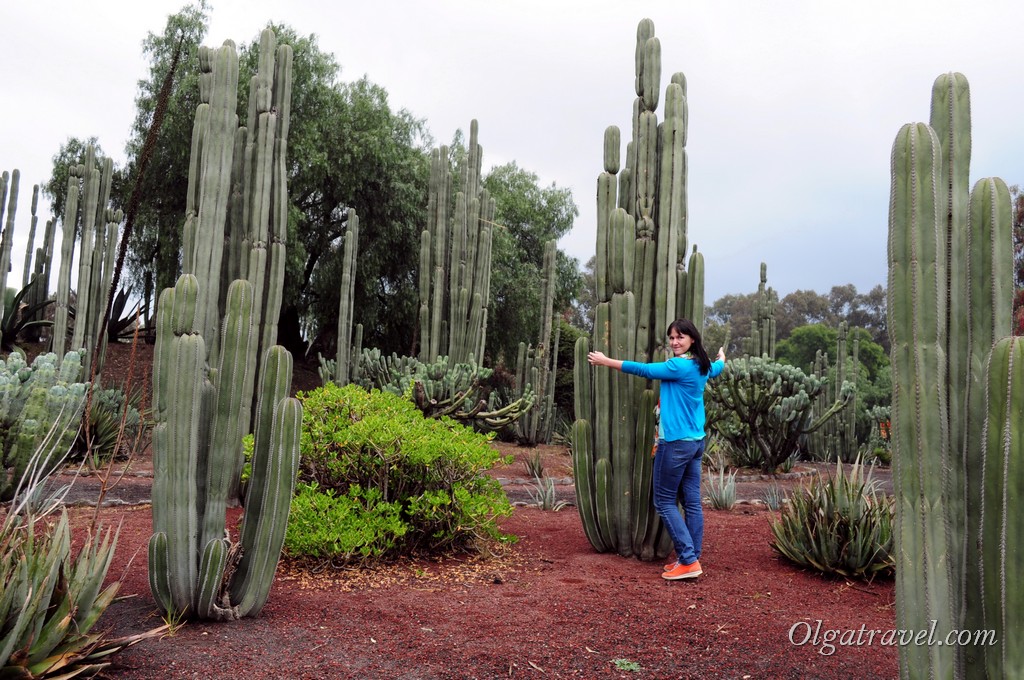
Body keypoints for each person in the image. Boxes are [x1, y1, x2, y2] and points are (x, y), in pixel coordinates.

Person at [588, 318, 725, 581]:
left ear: (692, 340)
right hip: (696, 442)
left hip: (675, 444)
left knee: (663, 500)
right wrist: (722, 358)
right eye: (672, 337)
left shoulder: (678, 366)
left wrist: (606, 361)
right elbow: (718, 368)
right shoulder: (703, 365)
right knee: (692, 503)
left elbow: (644, 370)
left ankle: (687, 559)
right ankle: (691, 558)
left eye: (680, 337)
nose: (674, 342)